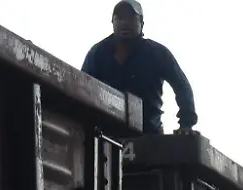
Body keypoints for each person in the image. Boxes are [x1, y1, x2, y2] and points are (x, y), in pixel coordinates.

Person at [81, 1, 199, 135]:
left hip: (149, 135)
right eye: (120, 18)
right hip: (105, 135)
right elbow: (83, 87)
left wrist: (186, 123)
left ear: (142, 24)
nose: (125, 22)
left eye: (131, 18)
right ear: (112, 22)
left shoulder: (158, 53)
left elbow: (181, 85)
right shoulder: (97, 53)